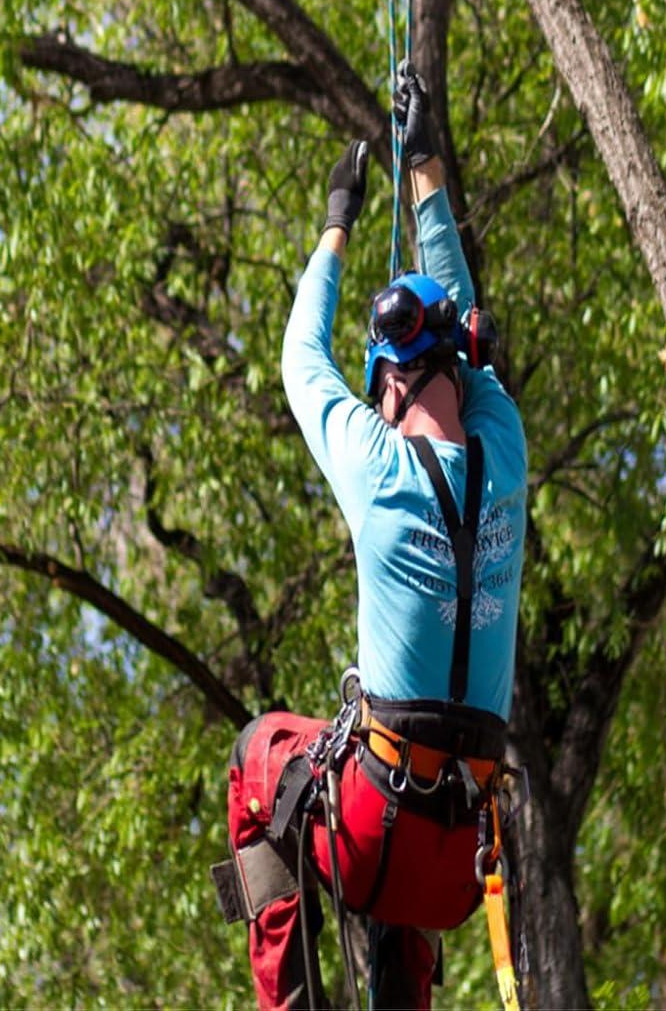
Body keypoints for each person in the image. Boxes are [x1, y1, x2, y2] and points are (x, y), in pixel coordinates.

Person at [216, 66, 527, 1010]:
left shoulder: (376, 465)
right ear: (460, 370)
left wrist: (336, 225)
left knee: (257, 757)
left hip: (371, 828)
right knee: (405, 807)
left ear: (388, 384)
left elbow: (298, 357)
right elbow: (465, 326)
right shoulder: (505, 454)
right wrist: (425, 166)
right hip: (460, 868)